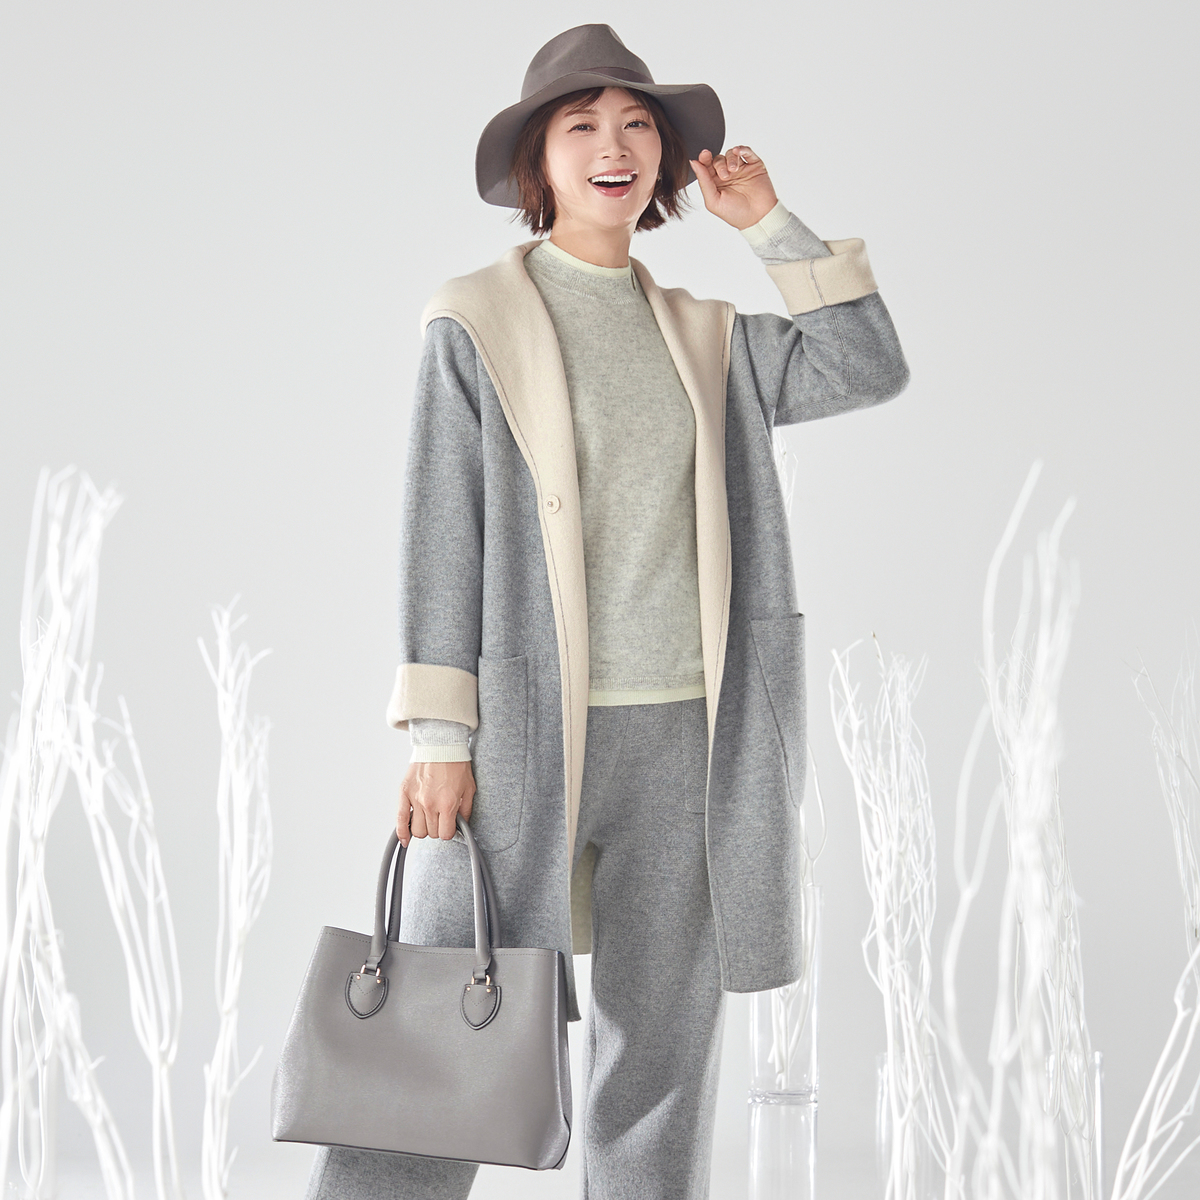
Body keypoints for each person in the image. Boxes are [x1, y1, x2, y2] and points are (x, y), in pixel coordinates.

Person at [303, 22, 909, 1200]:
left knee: (662, 1053)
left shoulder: (707, 334)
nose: (614, 145)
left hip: (690, 737)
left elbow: (863, 365)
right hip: (523, 736)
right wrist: (439, 736)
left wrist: (768, 226)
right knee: (437, 1027)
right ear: (537, 162)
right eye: (581, 126)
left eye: (637, 125)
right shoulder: (474, 320)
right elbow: (441, 529)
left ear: (668, 161)